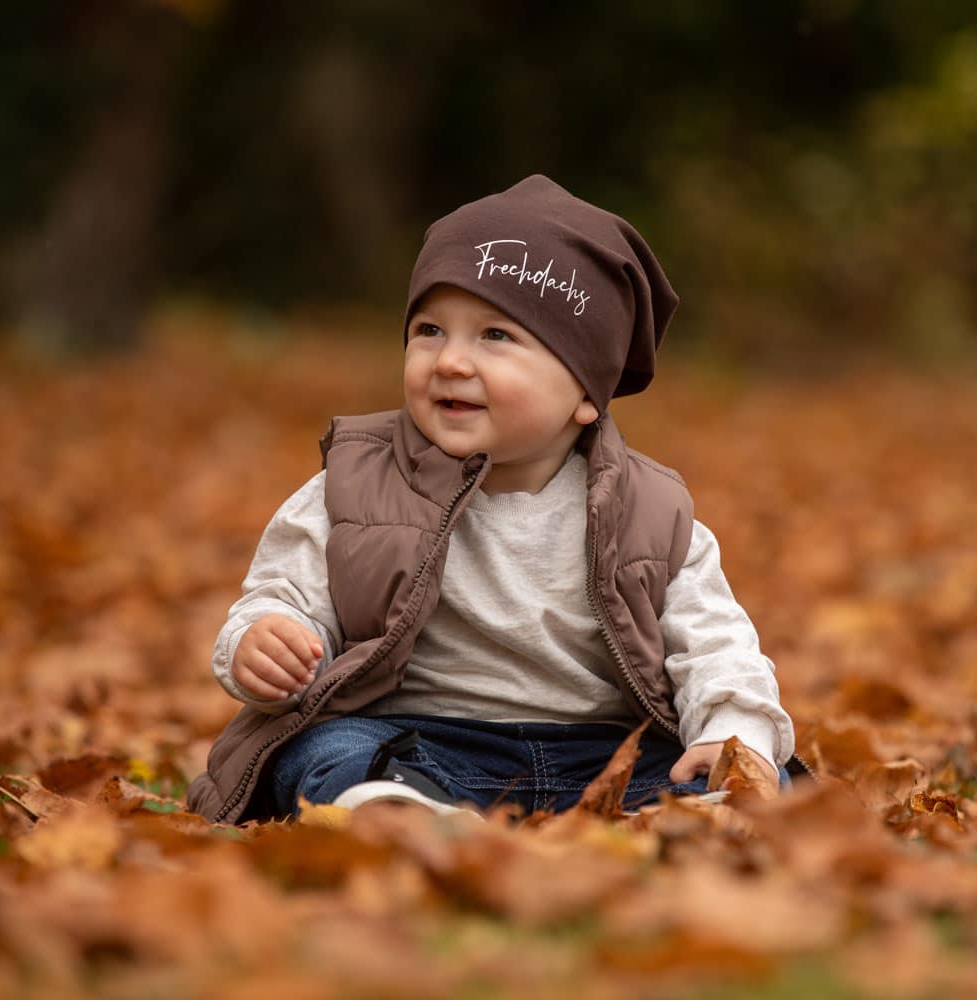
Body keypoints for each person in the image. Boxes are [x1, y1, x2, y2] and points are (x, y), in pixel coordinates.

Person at [186, 175, 800, 823]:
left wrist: (731, 732)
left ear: (586, 391)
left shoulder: (650, 513)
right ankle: (401, 812)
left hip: (604, 754)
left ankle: (684, 820)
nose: (450, 361)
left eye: (495, 336)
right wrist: (265, 641)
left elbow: (714, 642)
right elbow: (284, 596)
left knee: (762, 772)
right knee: (322, 751)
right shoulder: (354, 483)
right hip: (419, 740)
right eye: (429, 329)